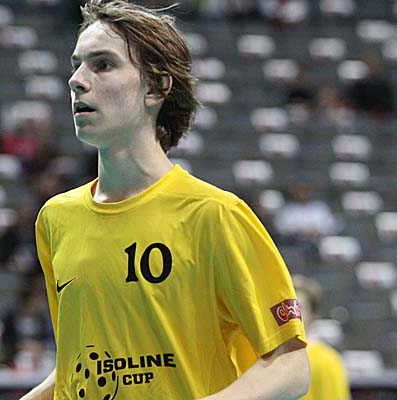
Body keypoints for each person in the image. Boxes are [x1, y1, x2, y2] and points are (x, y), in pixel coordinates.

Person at [23, 1, 309, 399]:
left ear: (157, 87)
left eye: (102, 64)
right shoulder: (56, 219)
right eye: (76, 65)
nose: (76, 80)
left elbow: (291, 366)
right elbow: (75, 366)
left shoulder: (215, 215)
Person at [293, 275, 351, 400]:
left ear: (313, 315)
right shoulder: (270, 358)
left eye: (298, 307)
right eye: (285, 306)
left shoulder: (327, 361)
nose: (291, 313)